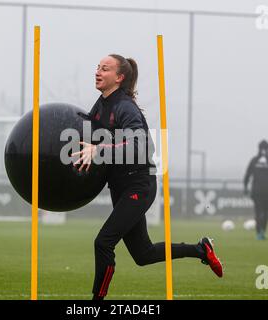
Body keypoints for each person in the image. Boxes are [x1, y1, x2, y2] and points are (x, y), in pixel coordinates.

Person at [72, 54, 223, 300]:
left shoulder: (125, 107)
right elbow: (88, 136)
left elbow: (140, 146)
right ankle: (201, 249)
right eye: (97, 67)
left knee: (103, 242)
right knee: (143, 255)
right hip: (119, 187)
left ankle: (96, 303)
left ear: (119, 78)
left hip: (139, 185)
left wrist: (98, 150)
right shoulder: (100, 104)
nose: (98, 72)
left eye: (105, 69)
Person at [243, 140, 268, 240]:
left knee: (258, 211)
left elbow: (247, 175)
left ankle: (259, 233)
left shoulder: (254, 160)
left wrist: (245, 187)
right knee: (266, 212)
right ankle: (263, 231)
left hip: (256, 190)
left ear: (259, 148)